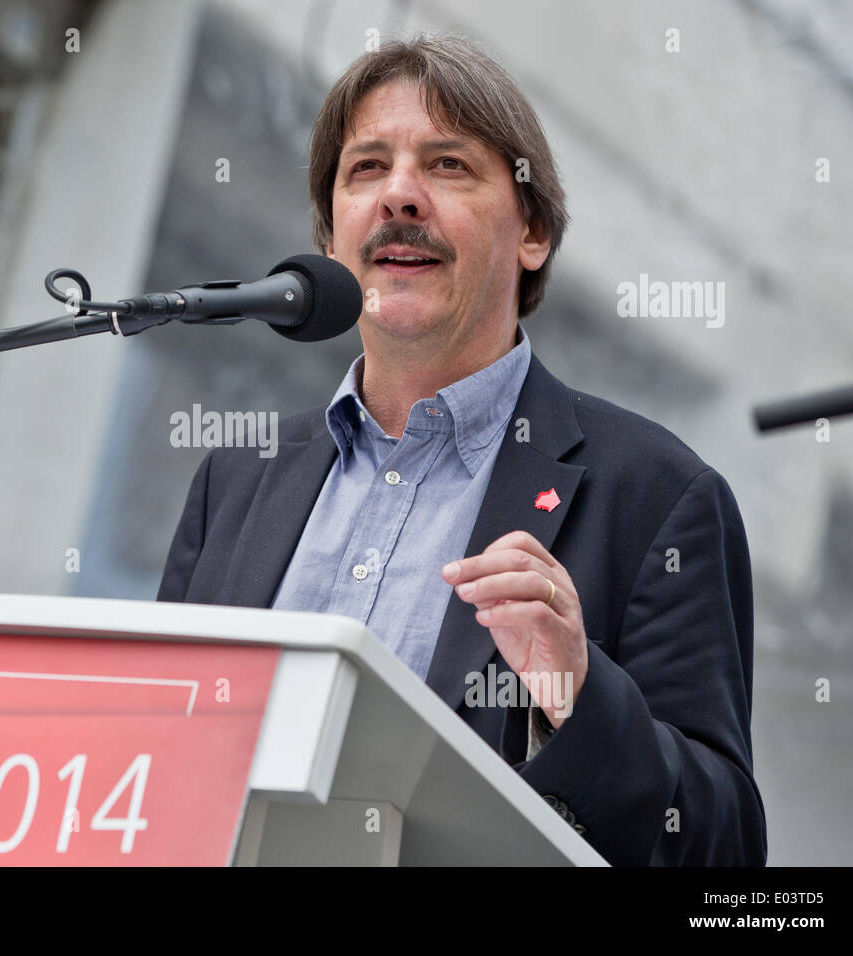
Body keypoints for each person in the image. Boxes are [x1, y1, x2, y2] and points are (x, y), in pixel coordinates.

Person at [156, 34, 765, 866]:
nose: (399, 195)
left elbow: (723, 855)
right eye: (366, 168)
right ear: (328, 239)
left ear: (534, 232)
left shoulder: (658, 496)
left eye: (447, 165)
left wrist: (577, 697)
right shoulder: (236, 479)